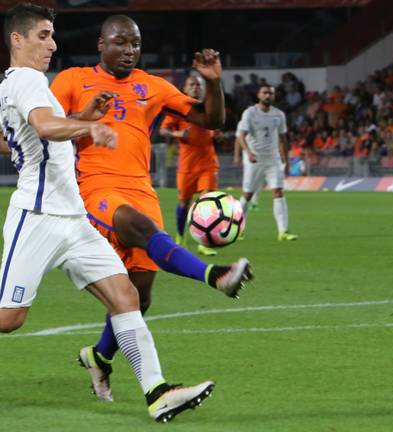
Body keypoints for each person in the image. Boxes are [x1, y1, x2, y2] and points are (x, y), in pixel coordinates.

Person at [0, 3, 213, 423]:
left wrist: (76, 119)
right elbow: (43, 127)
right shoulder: (28, 83)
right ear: (16, 40)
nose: (52, 44)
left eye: (52, 35)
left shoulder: (9, 87)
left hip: (73, 218)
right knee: (6, 319)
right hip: (36, 217)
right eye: (43, 35)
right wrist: (88, 127)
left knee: (125, 295)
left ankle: (158, 391)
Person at [51, 14, 253, 402]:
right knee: (136, 227)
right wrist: (85, 119)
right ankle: (215, 275)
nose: (129, 51)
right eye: (120, 42)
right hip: (95, 186)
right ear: (101, 44)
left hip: (141, 188)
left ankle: (98, 355)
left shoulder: (152, 86)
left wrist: (213, 81)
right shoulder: (72, 80)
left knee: (138, 296)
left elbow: (213, 119)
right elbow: (46, 124)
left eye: (135, 44)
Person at [159, 75, 220, 256]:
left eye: (198, 85)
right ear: (185, 88)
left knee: (206, 201)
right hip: (187, 165)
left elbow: (215, 126)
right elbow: (163, 129)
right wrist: (178, 134)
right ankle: (180, 236)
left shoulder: (209, 107)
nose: (195, 87)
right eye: (192, 84)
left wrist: (217, 134)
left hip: (208, 163)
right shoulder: (179, 108)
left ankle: (204, 242)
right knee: (184, 203)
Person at [233, 85, 298, 241]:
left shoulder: (279, 115)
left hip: (273, 158)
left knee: (278, 192)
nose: (268, 95)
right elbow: (241, 136)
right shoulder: (250, 113)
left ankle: (283, 231)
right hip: (254, 158)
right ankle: (237, 229)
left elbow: (283, 139)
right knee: (247, 194)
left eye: (270, 93)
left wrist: (286, 161)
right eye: (265, 93)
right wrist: (248, 153)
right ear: (258, 95)